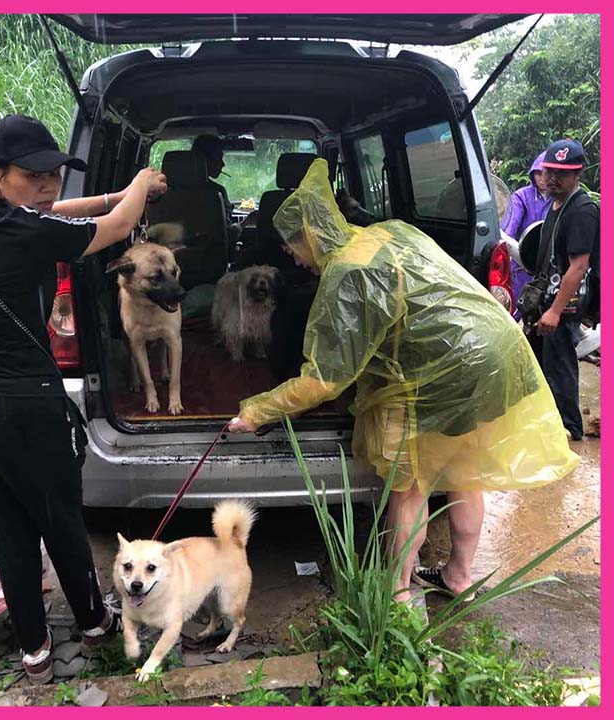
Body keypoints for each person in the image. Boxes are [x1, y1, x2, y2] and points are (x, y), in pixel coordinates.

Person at [227, 158, 579, 602]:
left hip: (442, 371)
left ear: (311, 234)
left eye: (293, 246)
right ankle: (458, 576)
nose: (293, 257)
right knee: (464, 473)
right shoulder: (387, 231)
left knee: (411, 487)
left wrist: (255, 411)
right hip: (495, 350)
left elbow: (324, 380)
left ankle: (396, 591)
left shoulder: (346, 275)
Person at [0, 114, 167, 683]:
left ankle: (34, 647)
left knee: (9, 525)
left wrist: (116, 194)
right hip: (24, 409)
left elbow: (55, 215)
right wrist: (141, 185)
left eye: (54, 174)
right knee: (61, 519)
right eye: (34, 175)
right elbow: (118, 230)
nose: (49, 187)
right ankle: (94, 621)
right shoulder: (25, 230)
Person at [533, 138, 600, 441]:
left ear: (578, 174)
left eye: (562, 173)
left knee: (560, 366)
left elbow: (579, 265)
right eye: (549, 171)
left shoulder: (581, 210)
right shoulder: (557, 205)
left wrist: (555, 311)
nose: (553, 178)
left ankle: (569, 430)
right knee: (547, 362)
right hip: (551, 297)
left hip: (567, 302)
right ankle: (553, 424)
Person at [501, 151, 552, 319]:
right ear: (533, 174)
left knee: (545, 311)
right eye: (538, 173)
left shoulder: (560, 198)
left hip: (551, 264)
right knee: (517, 308)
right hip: (523, 262)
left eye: (546, 173)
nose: (542, 178)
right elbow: (509, 228)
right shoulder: (521, 196)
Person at [191, 134, 257, 241]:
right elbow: (228, 236)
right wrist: (246, 222)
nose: (223, 164)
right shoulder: (216, 193)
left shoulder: (166, 195)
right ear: (204, 160)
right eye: (218, 157)